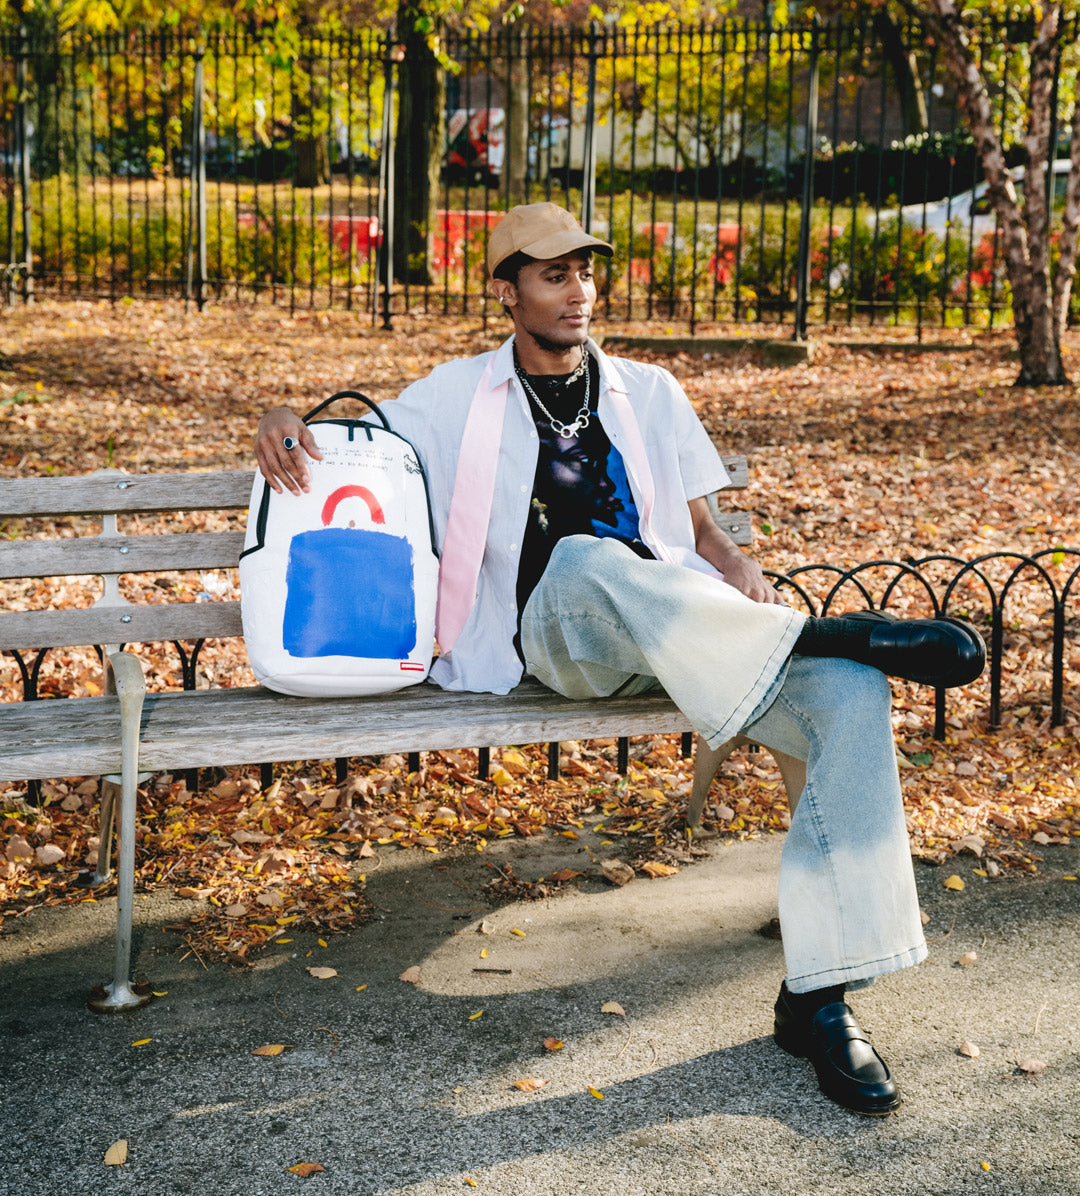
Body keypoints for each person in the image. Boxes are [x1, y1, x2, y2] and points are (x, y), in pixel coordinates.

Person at [255, 202, 985, 1117]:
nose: (579, 291)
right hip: (560, 642)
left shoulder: (649, 390)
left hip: (695, 640)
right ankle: (816, 631)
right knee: (587, 557)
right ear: (507, 290)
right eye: (554, 274)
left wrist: (741, 572)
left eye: (587, 272)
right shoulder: (452, 397)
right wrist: (283, 413)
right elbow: (346, 445)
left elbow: (704, 535)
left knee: (848, 694)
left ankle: (820, 1000)